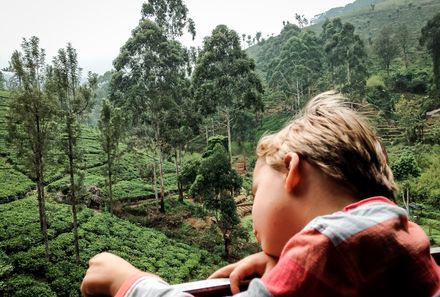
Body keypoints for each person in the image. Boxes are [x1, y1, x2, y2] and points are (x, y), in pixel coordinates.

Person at [81, 91, 440, 297]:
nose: (252, 218)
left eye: (254, 193)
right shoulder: (394, 230)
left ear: (292, 171)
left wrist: (130, 283)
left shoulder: (328, 245)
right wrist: (287, 265)